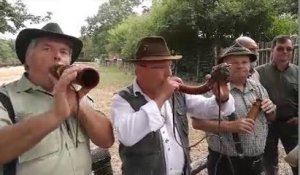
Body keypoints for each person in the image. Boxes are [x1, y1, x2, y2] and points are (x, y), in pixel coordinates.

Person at [0, 22, 114, 175]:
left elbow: (106, 140)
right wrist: (55, 116)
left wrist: (78, 106)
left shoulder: (76, 94)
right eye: (46, 49)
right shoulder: (6, 99)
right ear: (27, 59)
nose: (57, 56)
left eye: (64, 51)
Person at [110, 36, 236, 175]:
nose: (168, 73)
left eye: (170, 66)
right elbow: (127, 135)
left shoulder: (178, 93)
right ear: (139, 69)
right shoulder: (122, 99)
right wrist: (161, 97)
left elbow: (208, 109)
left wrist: (222, 98)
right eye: (161, 67)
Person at [192, 46, 276, 175]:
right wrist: (230, 126)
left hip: (256, 161)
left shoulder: (258, 88)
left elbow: (271, 118)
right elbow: (197, 123)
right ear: (224, 67)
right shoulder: (214, 89)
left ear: (250, 65)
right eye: (234, 63)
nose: (240, 66)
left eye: (244, 62)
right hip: (225, 163)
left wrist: (271, 110)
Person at [256, 35, 298, 175]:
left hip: (292, 125)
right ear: (272, 50)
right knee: (269, 164)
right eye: (280, 48)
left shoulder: (298, 72)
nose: (285, 52)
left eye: (289, 49)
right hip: (267, 125)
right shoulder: (259, 73)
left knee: (297, 162)